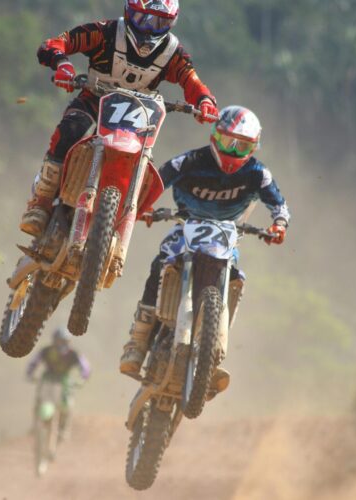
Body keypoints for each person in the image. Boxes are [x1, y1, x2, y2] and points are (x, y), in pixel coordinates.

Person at [119, 105, 291, 397]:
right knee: (161, 261)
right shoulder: (189, 161)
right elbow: (155, 182)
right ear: (214, 136)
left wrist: (279, 225)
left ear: (254, 147)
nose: (232, 152)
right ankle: (138, 340)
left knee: (235, 279)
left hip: (226, 235)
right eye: (227, 142)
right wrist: (143, 205)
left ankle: (213, 355)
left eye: (242, 146)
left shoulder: (258, 173)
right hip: (186, 225)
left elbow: (279, 205)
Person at [20, 0, 219, 237]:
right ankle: (41, 202)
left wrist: (205, 101)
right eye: (142, 19)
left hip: (138, 116)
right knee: (72, 129)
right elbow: (56, 43)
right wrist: (62, 64)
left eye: (158, 22)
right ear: (129, 11)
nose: (148, 29)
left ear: (171, 23)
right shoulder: (105, 32)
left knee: (145, 158)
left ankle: (123, 217)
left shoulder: (172, 52)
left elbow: (192, 82)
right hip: (94, 101)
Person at [27, 327, 90, 439]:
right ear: (54, 340)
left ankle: (64, 429)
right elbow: (34, 361)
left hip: (64, 380)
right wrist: (30, 373)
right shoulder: (46, 350)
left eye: (65, 342)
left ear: (69, 342)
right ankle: (35, 424)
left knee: (67, 403)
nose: (62, 344)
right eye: (59, 341)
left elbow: (84, 366)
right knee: (40, 400)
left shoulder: (73, 353)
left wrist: (83, 378)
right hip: (48, 378)